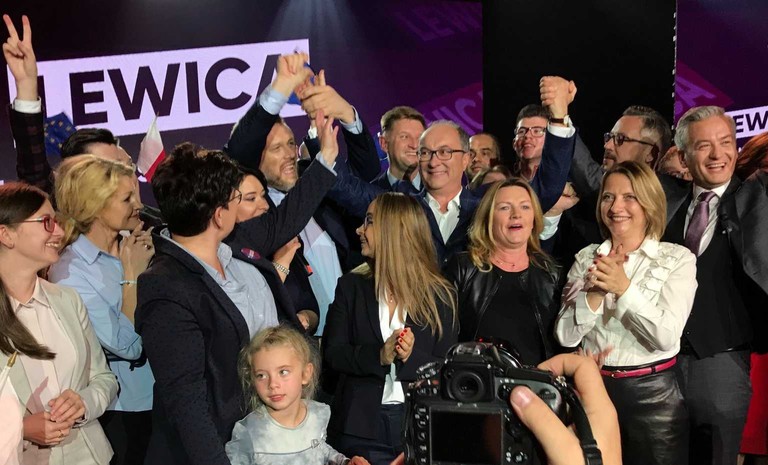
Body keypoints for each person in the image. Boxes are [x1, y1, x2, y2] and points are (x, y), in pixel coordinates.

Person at [136, 112, 340, 465]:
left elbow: (285, 219)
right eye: (234, 198)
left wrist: (326, 158)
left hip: (271, 441)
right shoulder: (166, 286)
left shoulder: (235, 243)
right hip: (221, 449)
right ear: (219, 215)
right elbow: (186, 402)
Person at [555, 161, 697, 465]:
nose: (616, 206)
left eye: (629, 197)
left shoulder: (677, 258)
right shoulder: (586, 257)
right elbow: (566, 336)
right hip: (592, 390)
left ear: (650, 203)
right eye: (608, 197)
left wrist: (623, 288)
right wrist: (595, 294)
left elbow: (666, 336)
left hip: (653, 397)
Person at [662, 106, 768, 465]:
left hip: (723, 363)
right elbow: (599, 183)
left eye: (725, 142)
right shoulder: (665, 198)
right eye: (704, 145)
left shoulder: (758, 197)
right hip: (658, 365)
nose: (717, 154)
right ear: (683, 157)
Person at [322, 193, 459, 465]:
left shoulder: (441, 296)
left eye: (369, 221)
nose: (359, 230)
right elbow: (333, 355)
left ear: (395, 231)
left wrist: (411, 357)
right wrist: (379, 356)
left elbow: (448, 370)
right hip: (359, 430)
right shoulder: (350, 287)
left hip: (419, 428)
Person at [0, 182, 118, 464]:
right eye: (46, 222)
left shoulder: (67, 299)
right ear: (6, 234)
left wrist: (83, 403)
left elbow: (104, 379)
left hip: (92, 456)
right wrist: (21, 428)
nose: (60, 232)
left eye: (57, 221)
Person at [47, 155, 155, 465]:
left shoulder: (138, 245)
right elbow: (127, 345)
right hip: (124, 411)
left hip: (164, 397)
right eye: (126, 199)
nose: (139, 204)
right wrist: (131, 276)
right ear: (95, 206)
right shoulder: (69, 272)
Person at [444, 178, 562, 365]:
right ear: (488, 218)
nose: (516, 215)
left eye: (525, 207)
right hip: (477, 378)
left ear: (534, 218)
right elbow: (442, 337)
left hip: (536, 379)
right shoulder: (463, 268)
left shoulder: (550, 273)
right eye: (505, 208)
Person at [225, 325, 369, 465]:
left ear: (305, 374)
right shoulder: (248, 431)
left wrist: (344, 461)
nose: (273, 384)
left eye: (283, 372)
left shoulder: (318, 414)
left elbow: (320, 449)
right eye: (261, 375)